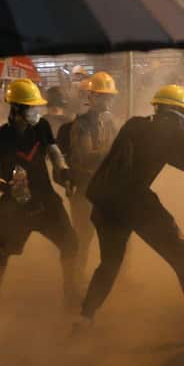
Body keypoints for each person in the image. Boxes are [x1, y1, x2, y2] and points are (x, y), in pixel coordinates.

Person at [77, 85, 184, 345]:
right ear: (181, 113)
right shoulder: (171, 130)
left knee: (109, 264)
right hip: (135, 201)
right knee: (182, 253)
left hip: (104, 203)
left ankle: (83, 320)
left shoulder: (134, 124)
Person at [0, 77, 79, 305]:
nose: (36, 110)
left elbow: (54, 151)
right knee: (0, 250)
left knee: (70, 243)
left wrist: (64, 171)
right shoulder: (0, 138)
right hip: (14, 201)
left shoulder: (42, 127)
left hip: (45, 199)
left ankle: (70, 291)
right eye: (31, 107)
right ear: (16, 109)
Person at [59, 71, 120, 280]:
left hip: (105, 189)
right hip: (85, 189)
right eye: (102, 95)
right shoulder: (81, 124)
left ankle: (115, 278)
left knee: (117, 236)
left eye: (109, 96)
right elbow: (85, 157)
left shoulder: (110, 122)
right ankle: (74, 284)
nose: (107, 100)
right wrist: (113, 152)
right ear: (91, 97)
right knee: (83, 240)